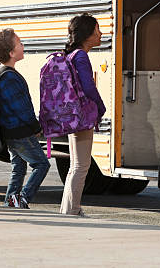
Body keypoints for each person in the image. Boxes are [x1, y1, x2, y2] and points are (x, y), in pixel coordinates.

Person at [0, 29, 50, 209]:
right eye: (20, 44)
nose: (23, 46)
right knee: (41, 164)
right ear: (11, 53)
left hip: (10, 131)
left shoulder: (1, 72)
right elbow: (21, 109)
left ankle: (10, 200)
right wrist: (35, 127)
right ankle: (22, 198)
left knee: (19, 167)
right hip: (19, 131)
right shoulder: (10, 78)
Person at [60, 13, 106, 216]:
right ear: (88, 34)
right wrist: (100, 107)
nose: (101, 34)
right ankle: (73, 209)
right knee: (81, 165)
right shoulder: (80, 56)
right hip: (82, 117)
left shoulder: (71, 55)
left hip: (73, 115)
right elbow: (88, 87)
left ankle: (68, 208)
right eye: (97, 29)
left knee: (75, 165)